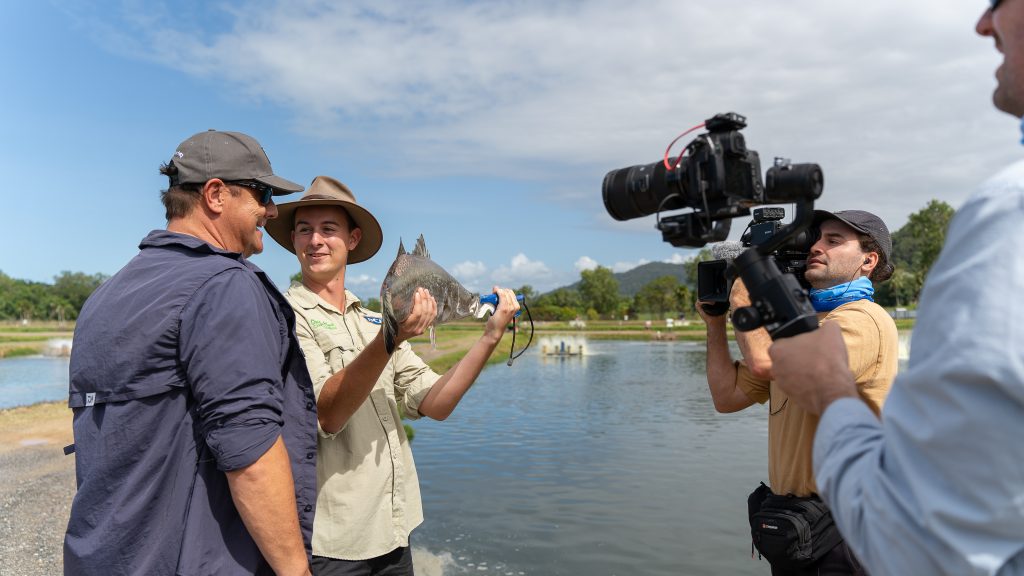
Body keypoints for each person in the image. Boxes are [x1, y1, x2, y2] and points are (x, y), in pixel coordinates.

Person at [766, 3, 1024, 574]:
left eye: (999, 2)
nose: (984, 24)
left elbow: (928, 535)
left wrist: (829, 387)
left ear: (870, 261)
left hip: (842, 532)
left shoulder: (1009, 212)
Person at [65, 130, 318, 576]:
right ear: (216, 194)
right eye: (262, 195)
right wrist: (296, 570)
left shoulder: (105, 296)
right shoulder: (225, 284)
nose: (271, 212)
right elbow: (251, 451)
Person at [264, 175, 520, 576]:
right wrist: (393, 336)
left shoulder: (372, 320)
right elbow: (327, 413)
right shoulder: (285, 317)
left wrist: (490, 336)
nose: (315, 240)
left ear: (352, 239)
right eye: (304, 230)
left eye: (328, 229)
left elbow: (435, 403)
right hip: (335, 544)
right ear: (294, 241)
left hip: (393, 531)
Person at [696, 210, 899, 575]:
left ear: (869, 261)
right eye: (816, 238)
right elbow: (726, 398)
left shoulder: (862, 319)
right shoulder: (800, 330)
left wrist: (745, 294)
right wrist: (715, 322)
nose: (816, 247)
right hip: (799, 528)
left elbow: (764, 364)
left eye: (834, 241)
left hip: (846, 533)